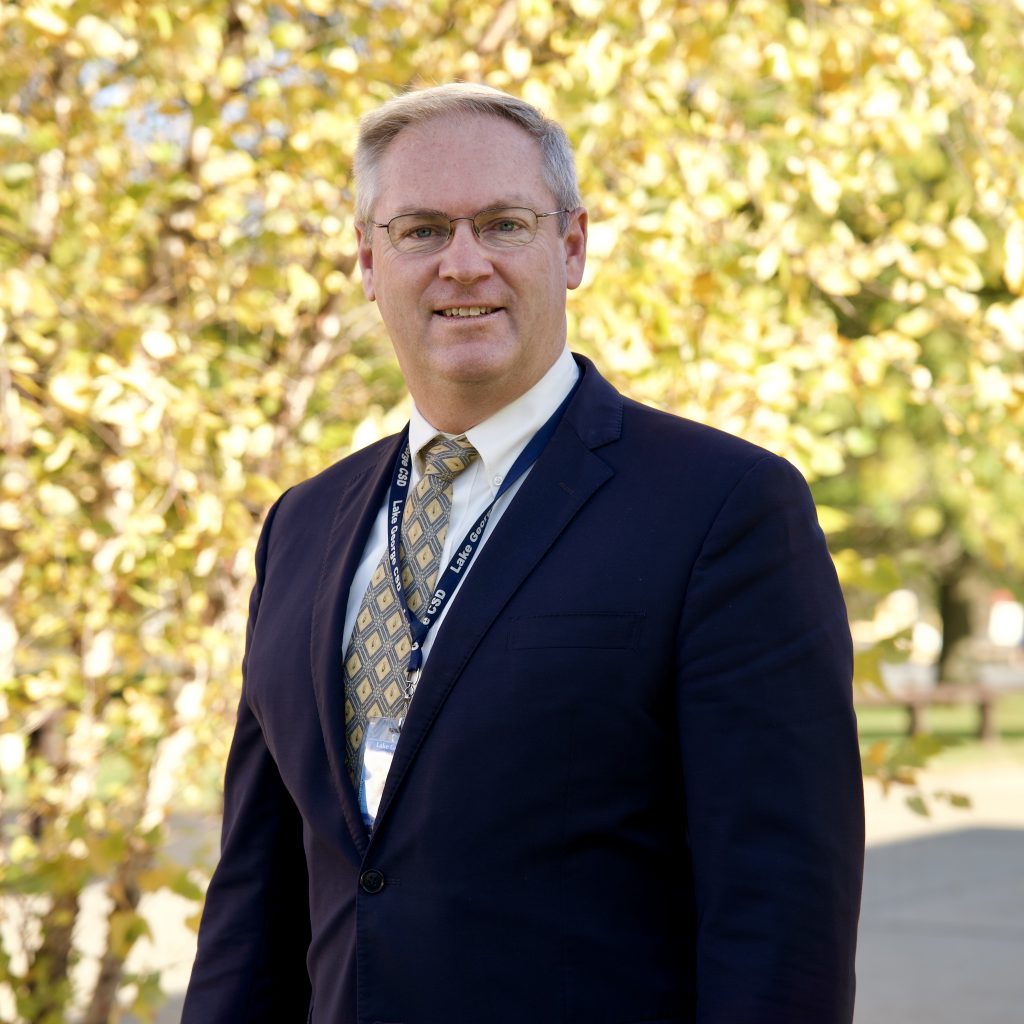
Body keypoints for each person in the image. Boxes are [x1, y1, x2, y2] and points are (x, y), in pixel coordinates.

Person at [182, 82, 864, 1024]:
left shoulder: (724, 509)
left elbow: (781, 921)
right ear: (368, 262)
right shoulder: (300, 525)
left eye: (503, 224)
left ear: (572, 246)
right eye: (421, 230)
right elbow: (253, 901)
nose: (464, 265)